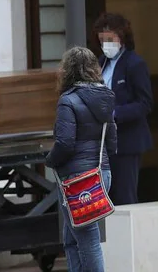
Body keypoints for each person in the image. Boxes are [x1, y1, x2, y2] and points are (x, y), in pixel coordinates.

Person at [45, 47, 117, 272]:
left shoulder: (68, 100)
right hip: (100, 173)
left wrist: (50, 159)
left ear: (67, 71)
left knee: (87, 239)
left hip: (77, 180)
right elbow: (113, 142)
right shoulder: (105, 97)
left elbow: (65, 143)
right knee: (71, 237)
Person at [93, 13, 153, 205]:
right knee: (104, 196)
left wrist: (115, 113)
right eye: (102, 40)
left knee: (124, 195)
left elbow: (145, 103)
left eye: (110, 39)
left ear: (122, 37)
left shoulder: (135, 64)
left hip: (127, 141)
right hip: (103, 141)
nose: (106, 44)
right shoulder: (100, 62)